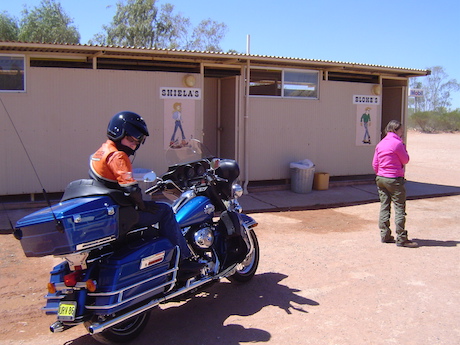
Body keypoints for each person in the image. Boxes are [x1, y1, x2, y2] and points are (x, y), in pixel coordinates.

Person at [90, 111, 203, 274]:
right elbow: (131, 189)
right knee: (165, 210)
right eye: (131, 139)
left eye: (138, 141)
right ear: (117, 132)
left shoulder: (100, 152)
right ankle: (184, 260)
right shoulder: (118, 156)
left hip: (111, 210)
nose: (134, 145)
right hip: (122, 214)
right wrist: (142, 205)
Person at [372, 120, 418, 248]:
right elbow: (405, 159)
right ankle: (401, 238)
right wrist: (403, 146)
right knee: (399, 207)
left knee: (384, 206)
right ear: (396, 130)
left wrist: (381, 173)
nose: (402, 133)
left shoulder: (380, 144)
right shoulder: (397, 144)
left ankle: (385, 234)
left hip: (381, 178)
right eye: (401, 131)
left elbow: (375, 164)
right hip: (394, 179)